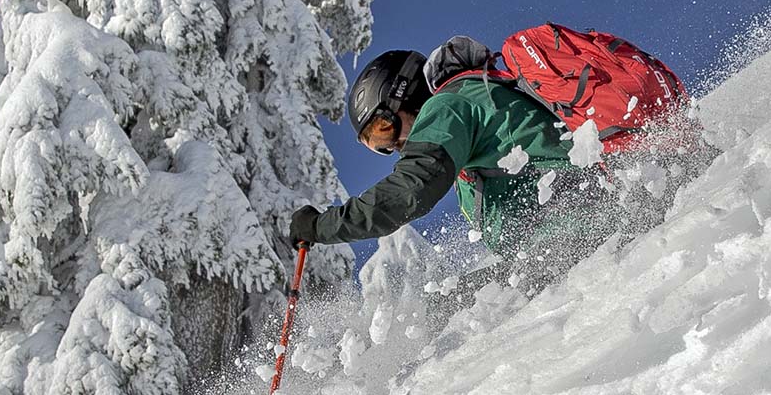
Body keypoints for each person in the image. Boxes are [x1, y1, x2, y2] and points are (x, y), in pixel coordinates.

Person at [290, 37, 711, 303]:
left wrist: (323, 226)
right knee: (456, 305)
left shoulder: (448, 107)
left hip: (601, 211)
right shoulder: (476, 134)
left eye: (386, 128)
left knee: (451, 314)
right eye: (377, 146)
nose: (393, 145)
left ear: (406, 95)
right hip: (593, 219)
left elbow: (409, 193)